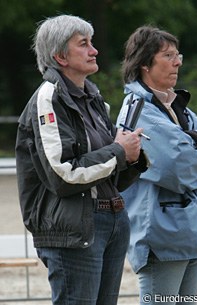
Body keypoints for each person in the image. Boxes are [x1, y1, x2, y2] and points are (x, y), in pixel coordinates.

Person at [15, 15, 148, 305]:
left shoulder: (93, 97)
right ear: (60, 56)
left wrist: (133, 157)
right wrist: (118, 152)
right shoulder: (48, 99)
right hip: (74, 232)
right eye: (84, 44)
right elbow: (63, 175)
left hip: (111, 220)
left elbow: (109, 172)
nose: (94, 50)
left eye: (92, 42)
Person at [116, 25, 197, 305]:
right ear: (144, 63)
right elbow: (178, 168)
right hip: (162, 233)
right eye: (168, 55)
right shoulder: (139, 108)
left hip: (191, 229)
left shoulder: (175, 106)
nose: (177, 62)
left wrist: (192, 144)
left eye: (178, 55)